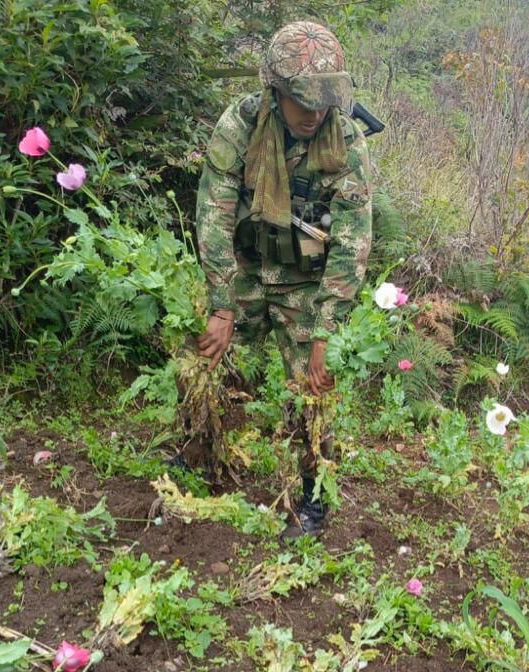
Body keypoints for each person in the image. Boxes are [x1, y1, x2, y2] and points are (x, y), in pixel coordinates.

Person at [194, 21, 373, 539]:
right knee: (206, 355)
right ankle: (202, 450)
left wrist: (324, 333)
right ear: (274, 91)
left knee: (313, 391)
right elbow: (214, 212)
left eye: (324, 103)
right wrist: (222, 303)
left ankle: (312, 494)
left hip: (307, 283)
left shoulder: (347, 140)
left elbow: (353, 243)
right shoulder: (242, 125)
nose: (314, 114)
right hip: (247, 268)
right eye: (303, 103)